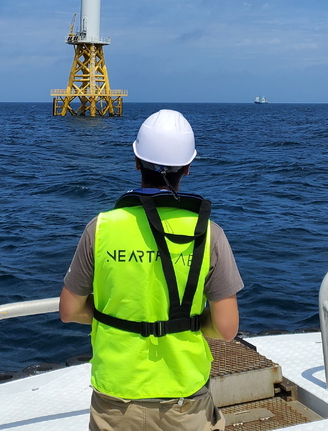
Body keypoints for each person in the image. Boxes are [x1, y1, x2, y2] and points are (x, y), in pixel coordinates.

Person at [60, 109, 244, 431]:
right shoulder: (210, 233)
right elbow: (227, 328)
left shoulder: (100, 228)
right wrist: (185, 323)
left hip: (115, 399)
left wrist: (117, 317)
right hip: (184, 399)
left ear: (136, 161)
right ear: (187, 168)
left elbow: (69, 310)